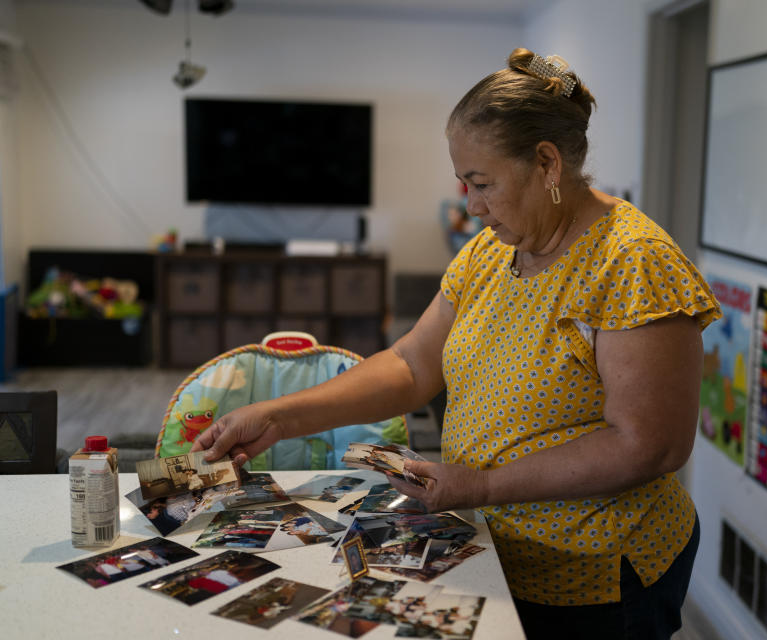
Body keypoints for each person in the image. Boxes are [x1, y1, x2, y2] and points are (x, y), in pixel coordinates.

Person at [192, 47, 720, 640]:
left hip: (595, 575)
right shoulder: (494, 247)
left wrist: (484, 484)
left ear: (547, 163)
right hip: (492, 550)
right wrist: (281, 416)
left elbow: (649, 445)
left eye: (482, 183)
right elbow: (412, 364)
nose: (471, 206)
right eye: (464, 183)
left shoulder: (633, 261)